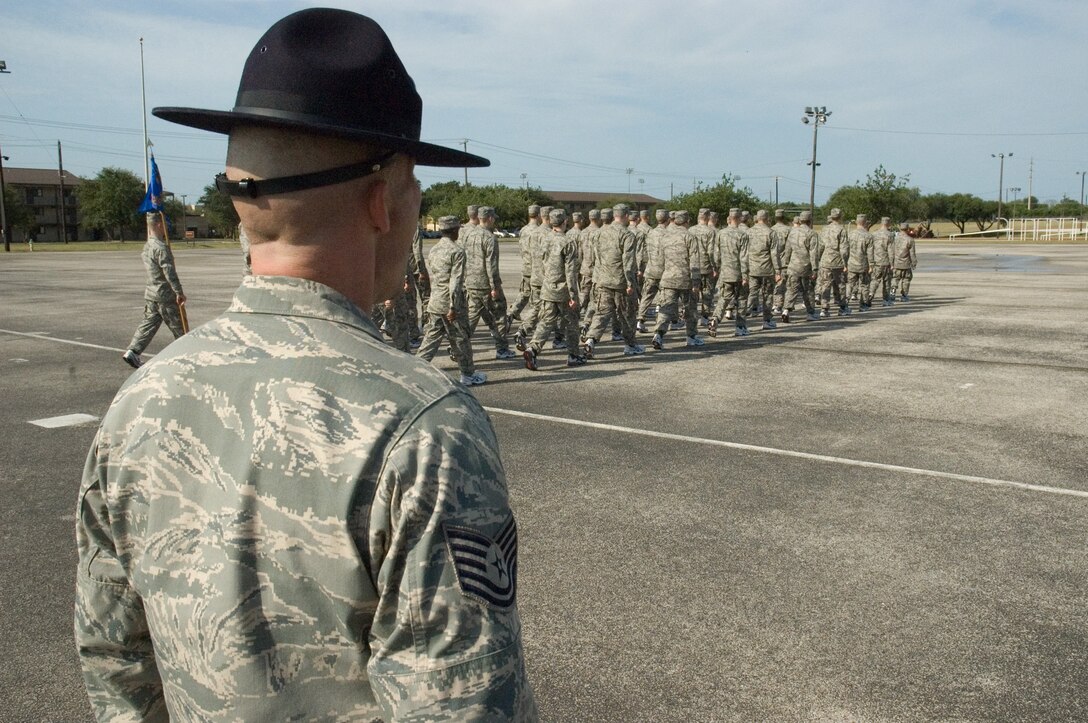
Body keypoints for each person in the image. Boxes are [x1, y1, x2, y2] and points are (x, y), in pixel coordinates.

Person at [75, 9, 535, 721]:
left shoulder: (142, 397)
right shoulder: (421, 426)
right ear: (383, 201)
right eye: (416, 185)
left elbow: (116, 664)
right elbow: (464, 705)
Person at [416, 216, 487, 385]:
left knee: (430, 340)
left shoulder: (434, 250)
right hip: (450, 304)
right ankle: (468, 375)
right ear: (455, 230)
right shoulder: (457, 251)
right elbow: (455, 281)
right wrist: (453, 306)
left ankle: (415, 370)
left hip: (435, 301)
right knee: (461, 340)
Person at [121, 212, 187, 368]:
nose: (166, 228)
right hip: (165, 294)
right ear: (159, 224)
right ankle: (186, 355)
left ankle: (133, 351)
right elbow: (169, 272)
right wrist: (178, 292)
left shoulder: (147, 246)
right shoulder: (161, 247)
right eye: (164, 225)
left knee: (149, 323)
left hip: (151, 292)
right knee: (180, 329)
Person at [524, 208, 587, 370]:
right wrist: (574, 295)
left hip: (547, 287)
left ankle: (533, 348)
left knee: (545, 322)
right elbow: (570, 272)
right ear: (565, 221)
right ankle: (573, 355)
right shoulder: (568, 242)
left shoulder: (545, 239)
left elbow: (542, 265)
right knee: (572, 324)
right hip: (563, 290)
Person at [582, 204, 643, 357]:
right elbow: (628, 262)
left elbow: (595, 257)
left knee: (602, 313)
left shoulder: (598, 233)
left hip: (602, 279)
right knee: (627, 314)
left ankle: (591, 340)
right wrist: (630, 283)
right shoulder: (627, 235)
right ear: (627, 215)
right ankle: (630, 345)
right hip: (620, 282)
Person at [650, 210, 703, 349]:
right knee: (690, 309)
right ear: (687, 221)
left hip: (668, 278)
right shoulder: (690, 237)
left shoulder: (665, 237)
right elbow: (695, 262)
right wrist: (696, 282)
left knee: (666, 308)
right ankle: (691, 337)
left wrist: (660, 277)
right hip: (685, 279)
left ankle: (658, 334)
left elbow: (660, 260)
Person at [846, 213, 874, 310]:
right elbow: (870, 253)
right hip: (863, 264)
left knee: (850, 284)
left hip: (851, 264)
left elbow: (845, 250)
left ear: (856, 222)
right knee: (865, 285)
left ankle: (845, 304)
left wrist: (845, 264)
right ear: (865, 223)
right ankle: (863, 305)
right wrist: (871, 265)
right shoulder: (868, 236)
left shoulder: (850, 235)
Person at [869, 216, 895, 306]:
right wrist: (892, 263)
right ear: (888, 223)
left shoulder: (874, 234)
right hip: (885, 261)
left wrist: (871, 261)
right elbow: (891, 250)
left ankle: (870, 294)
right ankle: (886, 300)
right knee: (887, 282)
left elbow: (870, 248)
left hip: (876, 261)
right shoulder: (890, 235)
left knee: (875, 280)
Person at [891, 221, 918, 300]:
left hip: (896, 263)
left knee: (895, 278)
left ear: (900, 228)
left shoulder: (894, 239)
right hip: (906, 263)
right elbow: (912, 253)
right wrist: (914, 263)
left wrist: (891, 262)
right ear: (908, 229)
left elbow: (891, 251)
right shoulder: (910, 240)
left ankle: (892, 292)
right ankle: (904, 295)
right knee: (906, 279)